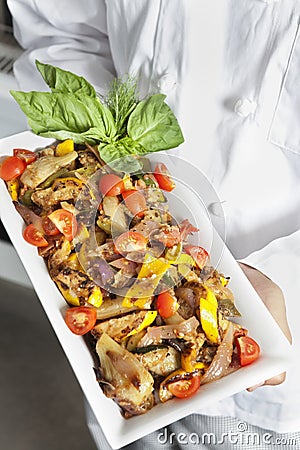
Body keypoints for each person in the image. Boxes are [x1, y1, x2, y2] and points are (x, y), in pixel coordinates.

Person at [7, 0, 300, 448]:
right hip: (111, 333)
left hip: (277, 361)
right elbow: (63, 31)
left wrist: (283, 277)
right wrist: (101, 152)